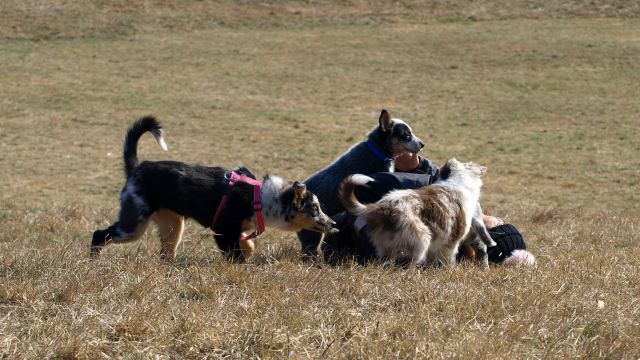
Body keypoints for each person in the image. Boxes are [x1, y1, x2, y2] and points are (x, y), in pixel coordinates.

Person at [321, 152, 535, 266]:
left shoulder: (454, 221)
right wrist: (416, 162)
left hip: (353, 227)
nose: (498, 217)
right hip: (363, 215)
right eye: (501, 218)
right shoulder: (457, 205)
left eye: (499, 222)